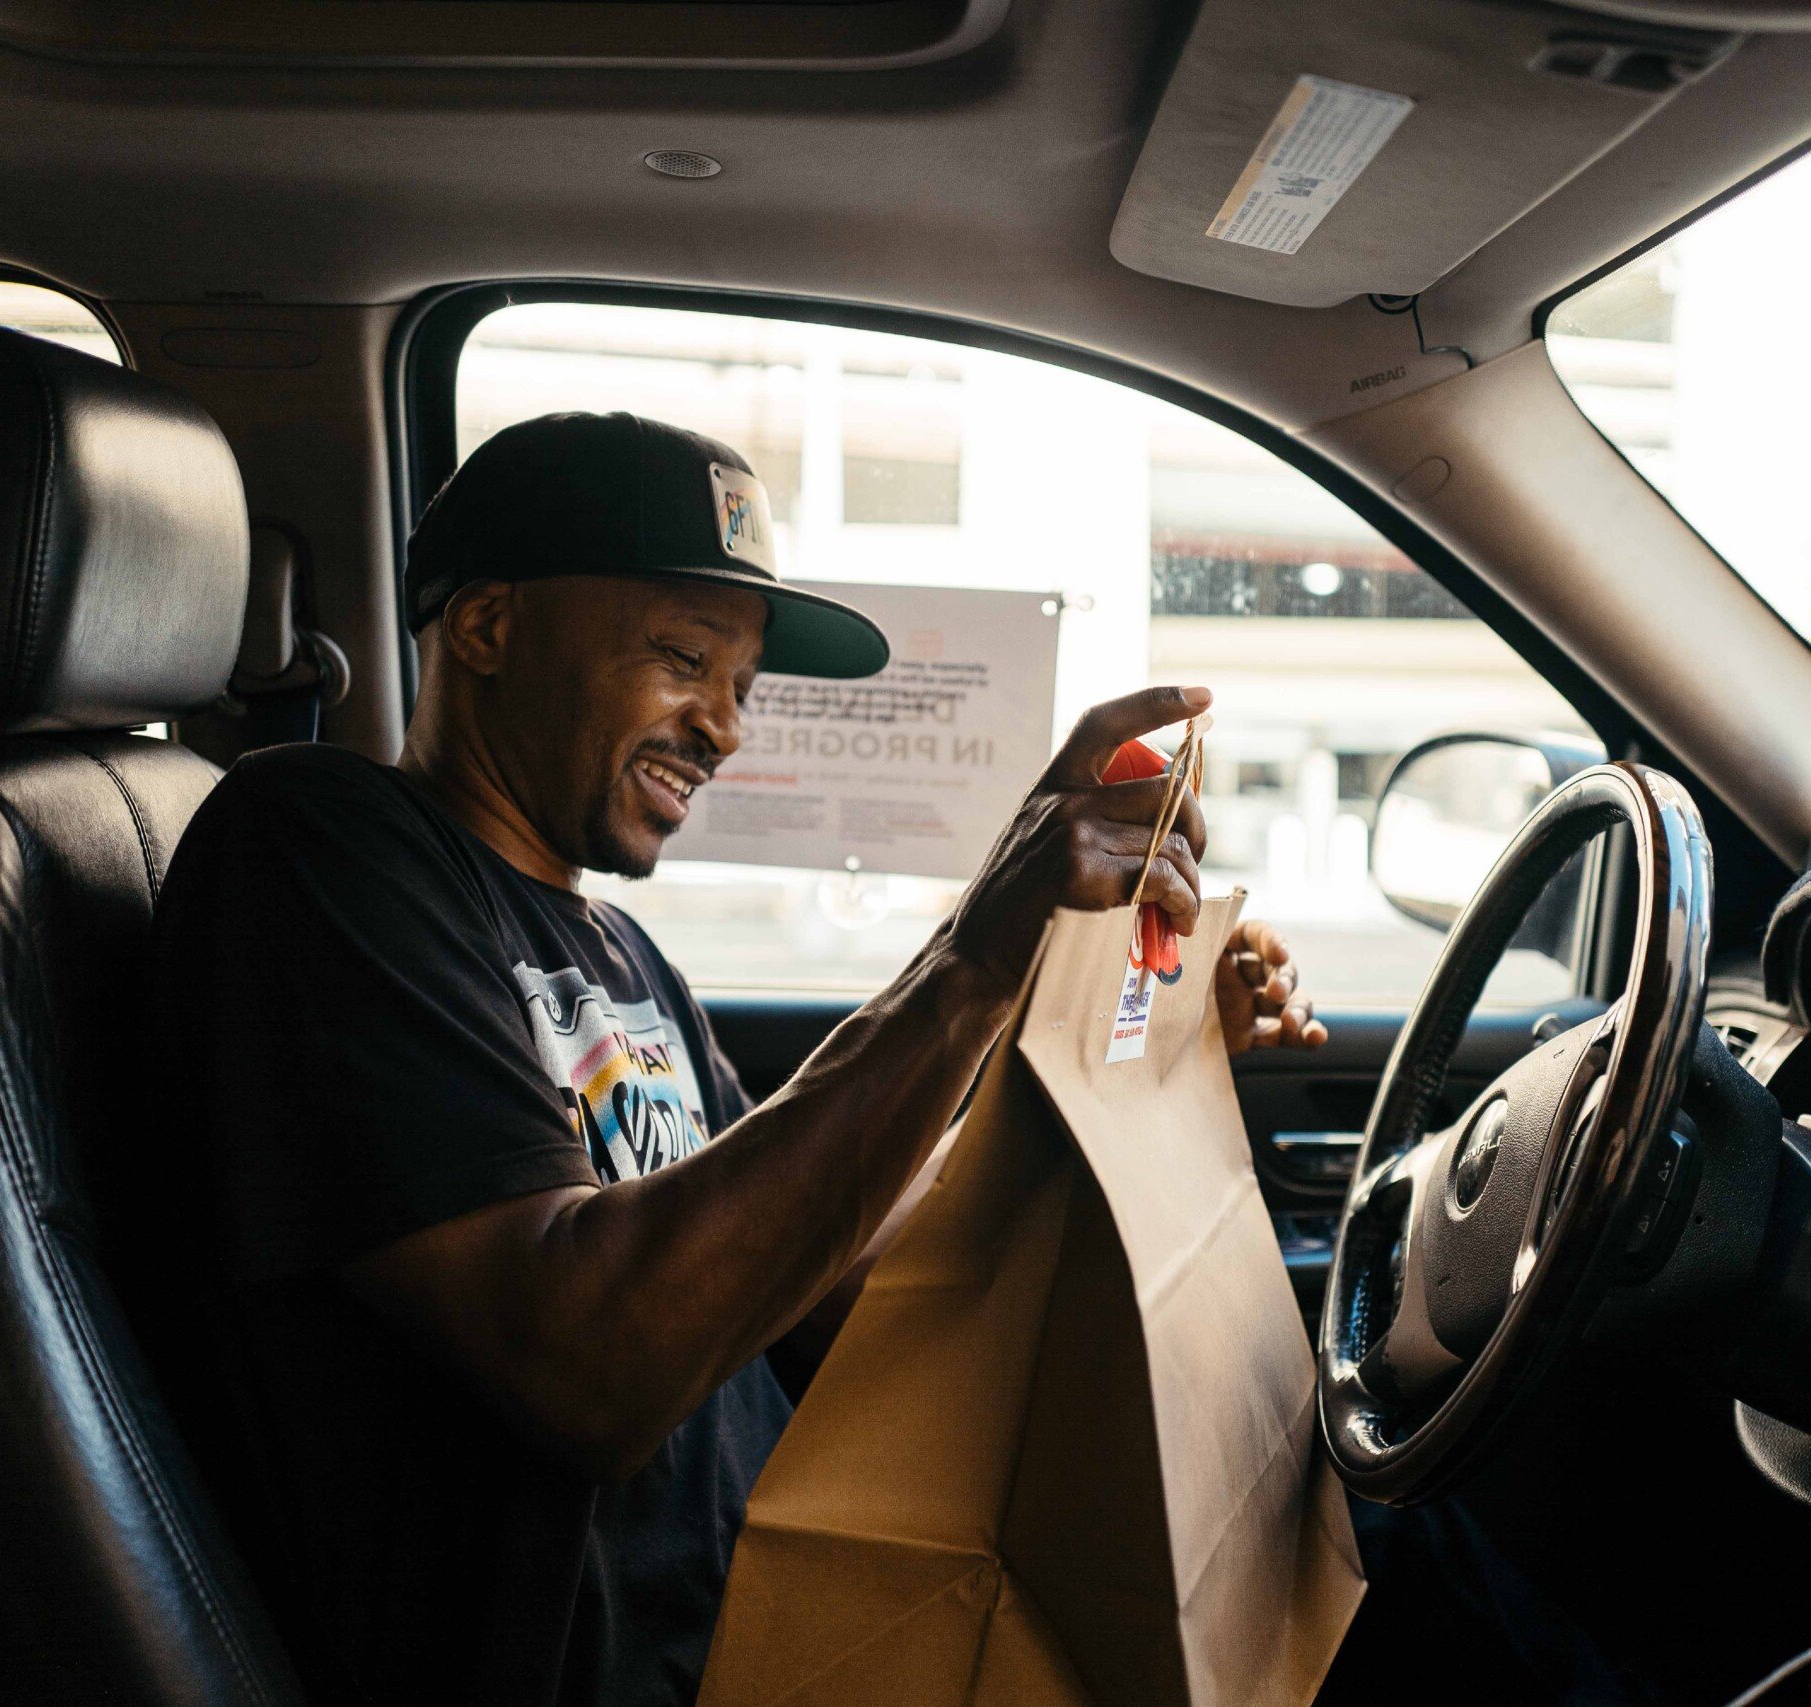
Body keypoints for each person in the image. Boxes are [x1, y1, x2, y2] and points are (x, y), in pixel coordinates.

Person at [149, 411, 1327, 1707]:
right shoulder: (322, 852)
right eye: (681, 657)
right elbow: (597, 1364)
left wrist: (1122, 1032)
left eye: (743, 687)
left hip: (791, 1623)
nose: (722, 727)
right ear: (487, 626)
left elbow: (824, 1281)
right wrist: (967, 959)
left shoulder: (622, 957)